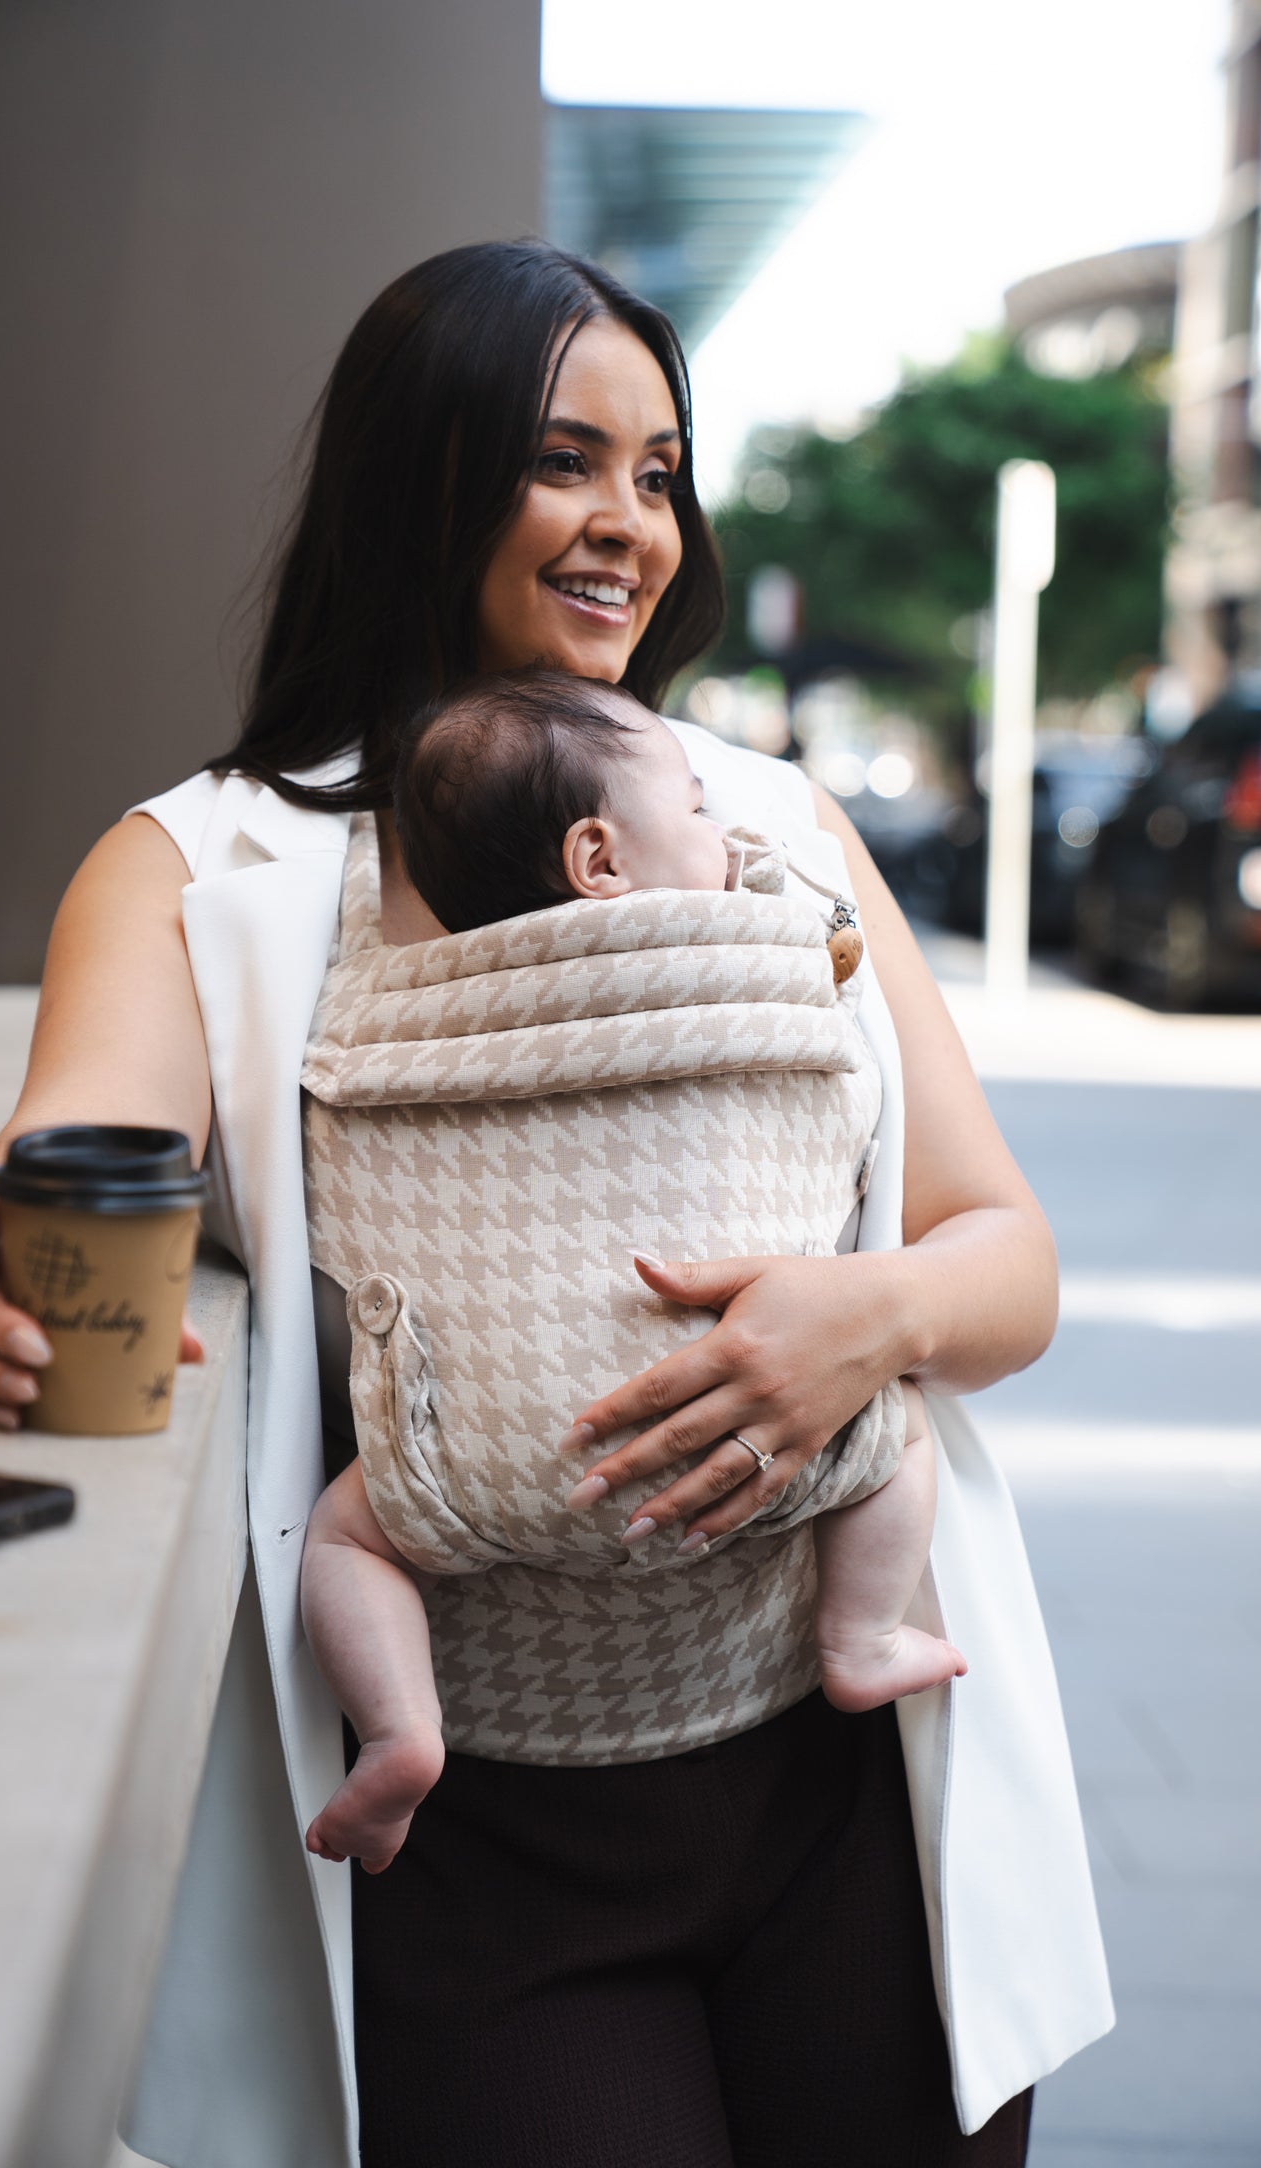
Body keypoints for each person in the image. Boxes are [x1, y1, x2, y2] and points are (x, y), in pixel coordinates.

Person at [0, 240, 1111, 2168]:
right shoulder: (192, 867)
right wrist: (8, 1284)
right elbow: (74, 1176)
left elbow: (1010, 1257)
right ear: (424, 475)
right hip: (471, 1839)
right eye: (566, 459)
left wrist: (866, 1319)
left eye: (660, 472)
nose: (631, 521)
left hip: (847, 1785)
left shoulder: (772, 825)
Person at [301, 668, 965, 1874]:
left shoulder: (407, 999)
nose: (723, 834)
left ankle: (399, 1729)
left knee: (345, 1539)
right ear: (598, 860)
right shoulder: (754, 950)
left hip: (470, 1453)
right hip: (769, 1426)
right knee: (902, 1437)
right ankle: (860, 1635)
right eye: (697, 811)